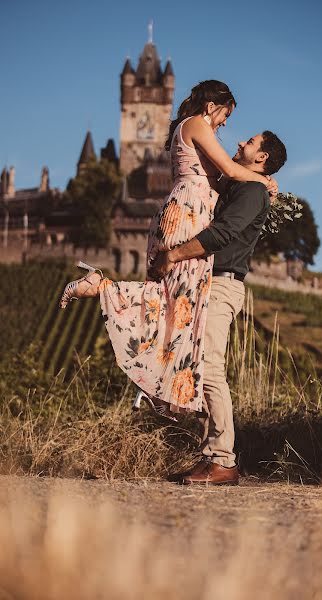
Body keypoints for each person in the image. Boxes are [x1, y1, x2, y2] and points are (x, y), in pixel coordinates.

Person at [59, 80, 277, 422]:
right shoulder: (194, 125)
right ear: (210, 106)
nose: (225, 124)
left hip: (187, 211)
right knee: (178, 301)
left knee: (173, 303)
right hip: (186, 215)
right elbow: (232, 171)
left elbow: (225, 180)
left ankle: (155, 388)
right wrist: (265, 180)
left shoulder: (192, 129)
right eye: (225, 115)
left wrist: (257, 181)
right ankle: (156, 383)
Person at [151, 130, 287, 485]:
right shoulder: (244, 185)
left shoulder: (252, 191)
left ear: (262, 158)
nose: (241, 142)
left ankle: (223, 461)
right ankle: (210, 456)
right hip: (208, 281)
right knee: (199, 367)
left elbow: (223, 234)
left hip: (222, 283)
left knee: (210, 369)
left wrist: (175, 254)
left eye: (251, 142)